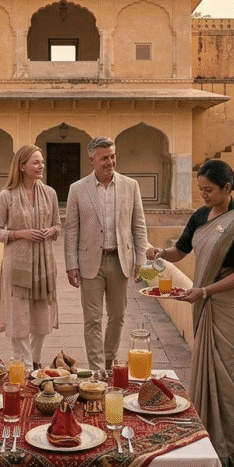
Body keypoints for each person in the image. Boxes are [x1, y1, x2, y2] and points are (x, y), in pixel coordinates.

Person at [147, 159, 234, 467]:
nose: (203, 194)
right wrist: (161, 254)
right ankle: (209, 445)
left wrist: (204, 291)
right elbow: (181, 250)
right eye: (200, 189)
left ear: (227, 188)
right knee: (208, 374)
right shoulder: (200, 216)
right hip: (206, 304)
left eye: (209, 190)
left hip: (233, 308)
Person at [64, 136, 148, 371]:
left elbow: (138, 226)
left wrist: (140, 260)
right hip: (91, 262)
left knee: (117, 317)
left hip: (120, 260)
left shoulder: (131, 186)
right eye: (104, 158)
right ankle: (97, 369)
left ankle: (109, 361)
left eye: (112, 156)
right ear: (92, 160)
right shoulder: (78, 189)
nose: (110, 162)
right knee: (92, 320)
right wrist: (71, 264)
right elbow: (71, 229)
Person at [0, 145, 61, 369]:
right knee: (19, 317)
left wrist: (51, 231)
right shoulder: (7, 196)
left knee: (42, 316)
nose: (41, 166)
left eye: (41, 162)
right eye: (35, 162)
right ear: (22, 166)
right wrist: (21, 234)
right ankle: (26, 367)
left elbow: (58, 224)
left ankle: (35, 360)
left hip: (44, 265)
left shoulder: (50, 193)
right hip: (18, 266)